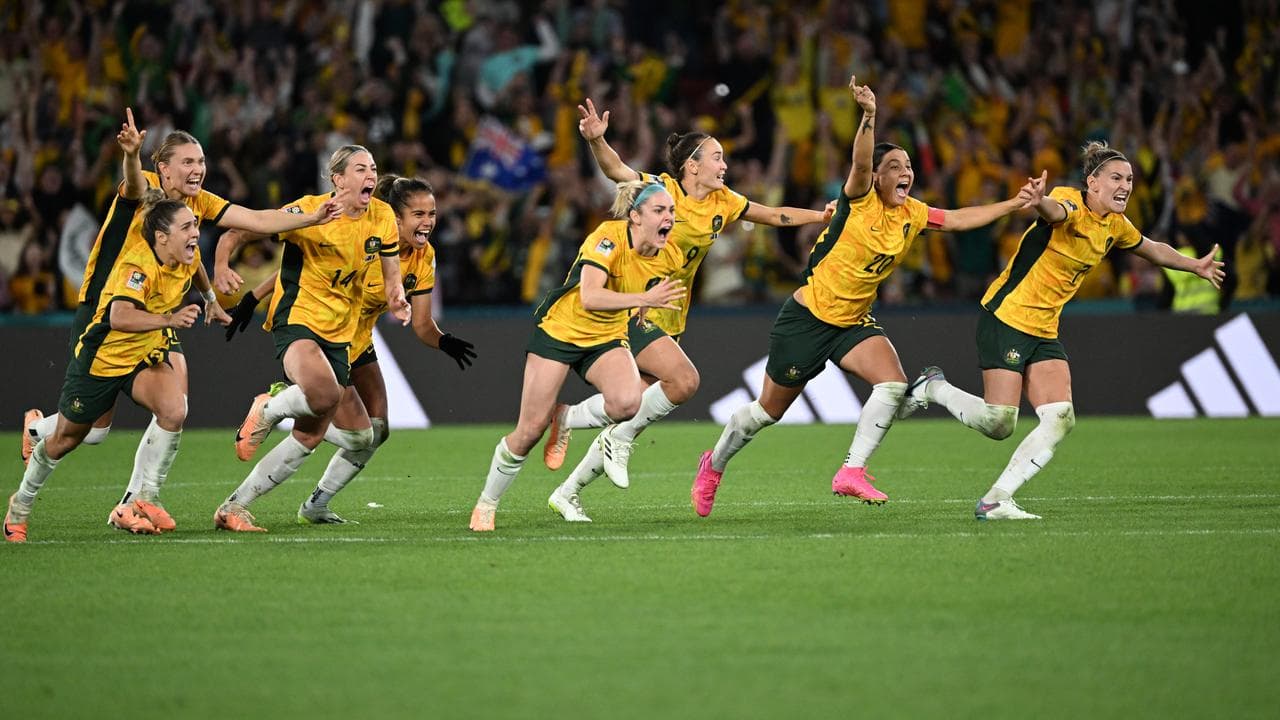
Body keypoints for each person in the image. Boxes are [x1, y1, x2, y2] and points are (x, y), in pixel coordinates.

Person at [690, 76, 1043, 517]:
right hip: (808, 319)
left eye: (908, 165)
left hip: (853, 322)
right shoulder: (858, 198)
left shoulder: (913, 212)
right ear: (876, 176)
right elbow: (859, 163)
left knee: (892, 383)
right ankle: (714, 464)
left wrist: (1015, 204)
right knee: (767, 412)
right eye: (895, 166)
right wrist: (869, 116)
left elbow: (956, 219)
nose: (906, 172)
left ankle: (851, 471)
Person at [902, 141, 1225, 520]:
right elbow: (1055, 213)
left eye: (1129, 179)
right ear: (1093, 183)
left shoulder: (1115, 225)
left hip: (1044, 329)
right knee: (999, 423)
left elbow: (1152, 248)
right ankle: (933, 387)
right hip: (1008, 316)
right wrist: (1039, 201)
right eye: (1116, 178)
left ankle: (996, 500)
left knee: (1060, 417)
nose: (1125, 185)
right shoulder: (1070, 200)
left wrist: (1194, 265)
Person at [542, 97, 835, 494]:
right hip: (636, 306)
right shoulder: (662, 190)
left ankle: (568, 471)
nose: (724, 165)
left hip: (672, 313)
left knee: (633, 405)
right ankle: (612, 438)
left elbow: (770, 215)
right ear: (692, 166)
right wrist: (596, 140)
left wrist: (820, 217)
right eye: (717, 157)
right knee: (681, 382)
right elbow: (617, 170)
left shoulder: (723, 201)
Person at [21, 110, 339, 465]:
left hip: (157, 313)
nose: (198, 169)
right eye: (188, 162)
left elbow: (255, 219)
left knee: (175, 408)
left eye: (201, 161)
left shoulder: (199, 201)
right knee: (95, 432)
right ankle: (37, 429)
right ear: (164, 168)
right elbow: (133, 183)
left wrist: (312, 218)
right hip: (107, 311)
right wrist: (131, 155)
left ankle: (142, 494)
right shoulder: (146, 187)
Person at [220, 174, 476, 524]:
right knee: (312, 432)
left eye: (431, 214)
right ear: (394, 218)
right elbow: (307, 267)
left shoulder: (423, 256)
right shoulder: (368, 241)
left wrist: (443, 341)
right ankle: (273, 419)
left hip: (358, 341)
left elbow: (421, 324)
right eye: (418, 214)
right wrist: (253, 297)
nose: (428, 222)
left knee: (375, 431)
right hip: (325, 334)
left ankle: (316, 504)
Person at [211, 145, 411, 533]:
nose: (371, 175)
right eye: (360, 169)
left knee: (350, 435)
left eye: (373, 168)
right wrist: (221, 266)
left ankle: (233, 507)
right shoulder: (308, 211)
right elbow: (239, 231)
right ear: (338, 179)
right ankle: (269, 408)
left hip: (341, 335)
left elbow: (391, 276)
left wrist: (396, 297)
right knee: (325, 395)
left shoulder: (382, 216)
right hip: (298, 321)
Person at [469, 179, 685, 531]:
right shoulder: (608, 237)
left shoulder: (670, 254)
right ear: (635, 216)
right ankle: (486, 504)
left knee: (628, 404)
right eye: (659, 210)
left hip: (607, 337)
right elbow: (590, 296)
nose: (669, 218)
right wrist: (643, 300)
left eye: (671, 211)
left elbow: (643, 282)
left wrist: (642, 307)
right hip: (561, 331)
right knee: (529, 430)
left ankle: (565, 417)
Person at [5, 195, 220, 542]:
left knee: (174, 409)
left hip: (141, 356)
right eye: (186, 227)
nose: (195, 233)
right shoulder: (136, 266)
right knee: (68, 439)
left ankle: (147, 497)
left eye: (195, 225)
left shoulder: (185, 257)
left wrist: (211, 300)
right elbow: (119, 316)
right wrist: (169, 319)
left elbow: (196, 269)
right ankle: (21, 504)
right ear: (161, 237)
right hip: (103, 359)